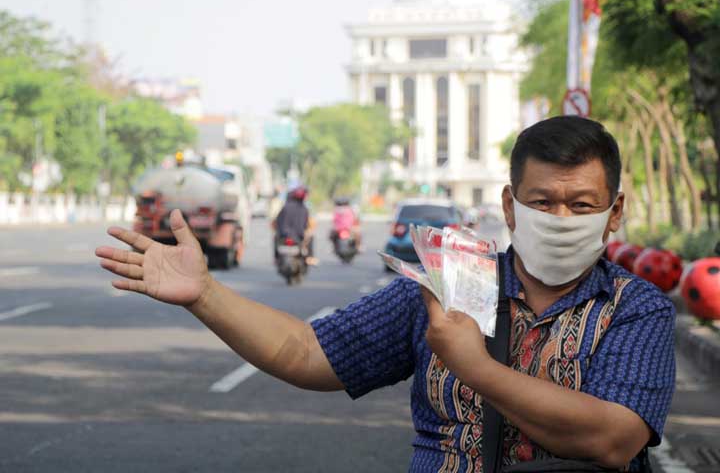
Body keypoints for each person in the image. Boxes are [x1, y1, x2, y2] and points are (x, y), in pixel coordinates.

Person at [96, 116, 674, 471]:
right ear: (509, 206)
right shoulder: (447, 284)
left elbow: (611, 438)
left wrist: (473, 365)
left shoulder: (635, 307)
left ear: (614, 211)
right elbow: (307, 353)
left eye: (581, 205)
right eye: (542, 202)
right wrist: (205, 294)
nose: (559, 217)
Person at [272, 185, 317, 266]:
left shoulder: (285, 208)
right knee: (310, 237)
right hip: (298, 236)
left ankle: (276, 258)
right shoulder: (304, 209)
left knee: (275, 238)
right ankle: (310, 257)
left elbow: (278, 221)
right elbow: (307, 225)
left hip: (284, 235)